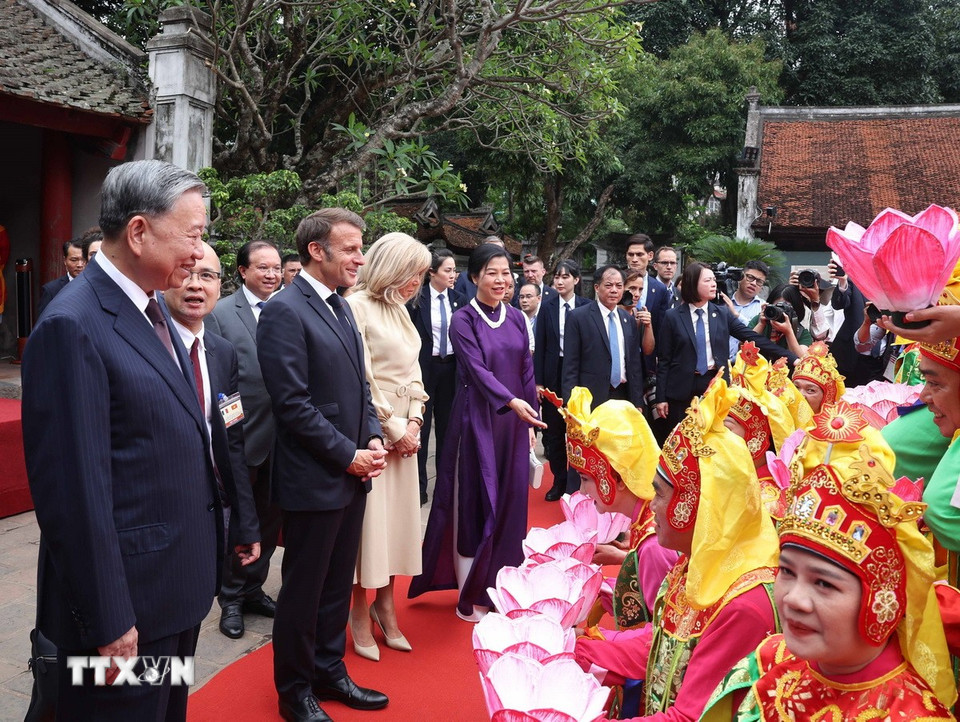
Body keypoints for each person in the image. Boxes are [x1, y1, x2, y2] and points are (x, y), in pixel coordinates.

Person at [22, 160, 219, 720]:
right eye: (193, 234)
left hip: (171, 590)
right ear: (138, 231)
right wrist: (110, 619)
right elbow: (74, 494)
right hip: (125, 611)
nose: (199, 253)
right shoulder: (74, 324)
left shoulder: (153, 307)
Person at [702, 402, 956, 720]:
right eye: (786, 571)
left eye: (823, 582)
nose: (793, 599)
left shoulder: (911, 715)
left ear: (881, 601)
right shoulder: (765, 662)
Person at [575, 377, 780, 720]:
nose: (651, 504)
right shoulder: (693, 564)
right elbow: (659, 650)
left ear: (698, 504)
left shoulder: (744, 604)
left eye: (659, 492)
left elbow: (689, 716)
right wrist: (578, 650)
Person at [258, 208, 389, 722]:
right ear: (318, 250)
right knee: (304, 590)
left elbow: (357, 387)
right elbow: (292, 404)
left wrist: (374, 437)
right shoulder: (285, 310)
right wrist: (347, 455)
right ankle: (293, 689)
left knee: (337, 585)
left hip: (353, 473)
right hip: (315, 476)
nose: (361, 257)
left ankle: (329, 670)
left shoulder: (341, 307)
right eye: (353, 247)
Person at [410, 243, 545, 622]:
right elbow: (476, 370)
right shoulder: (463, 320)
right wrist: (511, 401)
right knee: (476, 501)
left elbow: (526, 372)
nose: (501, 280)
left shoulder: (518, 318)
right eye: (492, 273)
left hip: (514, 424)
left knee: (512, 502)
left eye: (506, 273)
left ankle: (501, 585)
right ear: (474, 278)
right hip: (477, 421)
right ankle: (469, 593)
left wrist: (530, 415)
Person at [558, 388, 678, 718]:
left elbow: (661, 640)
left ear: (618, 478)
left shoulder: (655, 544)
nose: (582, 490)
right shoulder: (645, 523)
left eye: (586, 478)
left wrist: (592, 642)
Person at [345, 233, 431, 661]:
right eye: (412, 272)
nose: (417, 281)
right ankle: (359, 612)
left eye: (421, 274)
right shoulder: (355, 306)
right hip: (376, 435)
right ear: (391, 266)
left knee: (400, 527)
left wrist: (415, 418)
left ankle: (387, 605)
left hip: (407, 436)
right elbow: (363, 378)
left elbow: (415, 371)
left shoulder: (400, 309)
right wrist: (396, 427)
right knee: (370, 531)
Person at [163, 241, 261, 570]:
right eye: (186, 273)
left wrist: (246, 520)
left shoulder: (222, 352)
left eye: (207, 275)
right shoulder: (145, 345)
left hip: (214, 506)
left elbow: (233, 438)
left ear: (220, 285)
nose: (195, 284)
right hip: (162, 515)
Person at [205, 240, 283, 639]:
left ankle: (254, 588)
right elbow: (218, 378)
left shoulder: (286, 309)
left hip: (284, 437)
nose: (271, 274)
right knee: (242, 520)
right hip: (243, 433)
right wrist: (228, 430)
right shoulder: (220, 313)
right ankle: (231, 597)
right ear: (242, 271)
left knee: (271, 519)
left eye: (276, 267)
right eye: (262, 267)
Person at [654, 262, 796, 432]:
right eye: (707, 281)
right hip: (681, 387)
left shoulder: (721, 313)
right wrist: (660, 397)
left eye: (714, 280)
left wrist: (791, 357)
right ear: (693, 283)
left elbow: (751, 337)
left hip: (714, 384)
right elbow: (664, 360)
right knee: (681, 438)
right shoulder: (673, 316)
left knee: (714, 437)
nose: (714, 284)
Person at [409, 248, 465, 506]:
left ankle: (444, 486)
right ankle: (418, 487)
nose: (453, 275)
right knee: (419, 427)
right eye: (447, 270)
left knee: (447, 429)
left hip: (451, 369)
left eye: (454, 270)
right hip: (424, 368)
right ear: (432, 272)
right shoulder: (416, 300)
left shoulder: (460, 300)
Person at [534, 259, 592, 500]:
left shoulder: (587, 306)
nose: (559, 281)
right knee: (554, 432)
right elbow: (541, 345)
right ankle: (559, 480)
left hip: (579, 373)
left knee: (580, 431)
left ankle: (579, 481)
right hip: (553, 371)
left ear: (576, 280)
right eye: (557, 276)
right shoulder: (546, 308)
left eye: (565, 276)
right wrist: (538, 381)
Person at [562, 264, 646, 409]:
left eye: (619, 286)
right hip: (591, 396)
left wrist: (637, 401)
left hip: (623, 395)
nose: (614, 290)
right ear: (596, 287)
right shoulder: (578, 317)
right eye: (608, 285)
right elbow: (570, 365)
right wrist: (571, 402)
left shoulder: (628, 319)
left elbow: (634, 364)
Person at [748, 283, 812, 358]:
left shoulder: (802, 333)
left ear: (796, 310)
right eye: (777, 307)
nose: (781, 312)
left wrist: (788, 332)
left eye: (785, 308)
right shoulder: (759, 320)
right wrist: (761, 324)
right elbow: (743, 348)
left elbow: (802, 361)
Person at [721, 260, 768, 360]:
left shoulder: (763, 308)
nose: (754, 283)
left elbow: (755, 337)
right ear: (741, 276)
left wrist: (736, 314)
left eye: (759, 281)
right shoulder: (722, 302)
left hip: (745, 367)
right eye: (750, 277)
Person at [624, 235, 670, 335]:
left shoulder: (660, 289)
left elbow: (662, 328)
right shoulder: (616, 284)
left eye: (639, 254)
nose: (634, 259)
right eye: (631, 254)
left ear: (650, 256)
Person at [790, 340, 845, 416]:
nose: (800, 395)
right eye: (796, 387)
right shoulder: (778, 419)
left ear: (827, 398)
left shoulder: (834, 426)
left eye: (810, 390)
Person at [37, 236, 85, 317]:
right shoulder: (52, 290)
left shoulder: (97, 286)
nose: (80, 265)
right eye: (74, 260)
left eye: (84, 260)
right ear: (65, 261)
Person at [453, 235, 504, 300]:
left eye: (499, 251)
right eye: (491, 251)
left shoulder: (507, 279)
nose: (496, 255)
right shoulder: (465, 278)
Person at [518, 281, 540, 353]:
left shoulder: (545, 318)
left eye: (528, 296)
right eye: (521, 297)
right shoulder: (514, 318)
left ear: (539, 298)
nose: (524, 300)